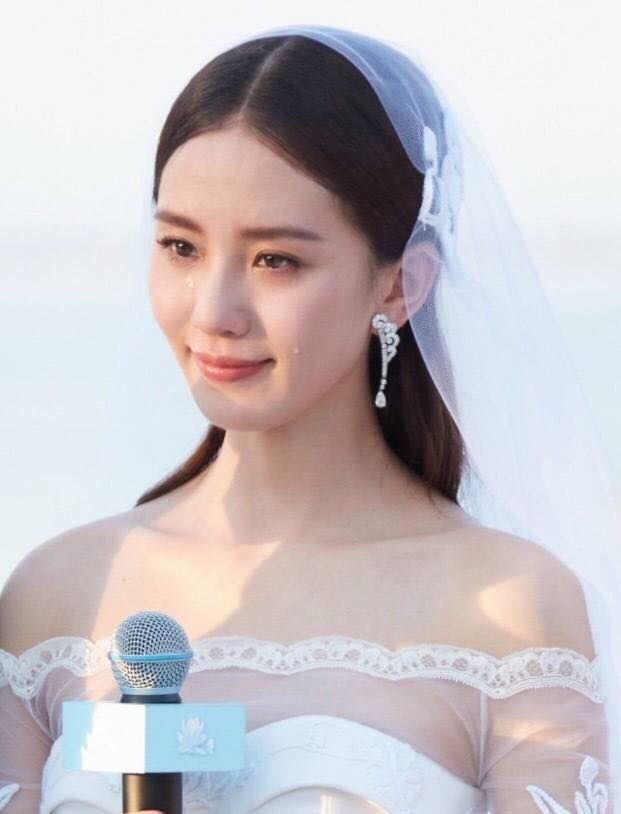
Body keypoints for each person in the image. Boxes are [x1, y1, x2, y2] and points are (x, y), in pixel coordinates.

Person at [0, 24, 618, 814]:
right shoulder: (56, 594)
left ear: (400, 285)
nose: (214, 312)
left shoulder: (507, 608)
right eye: (181, 247)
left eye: (276, 260)